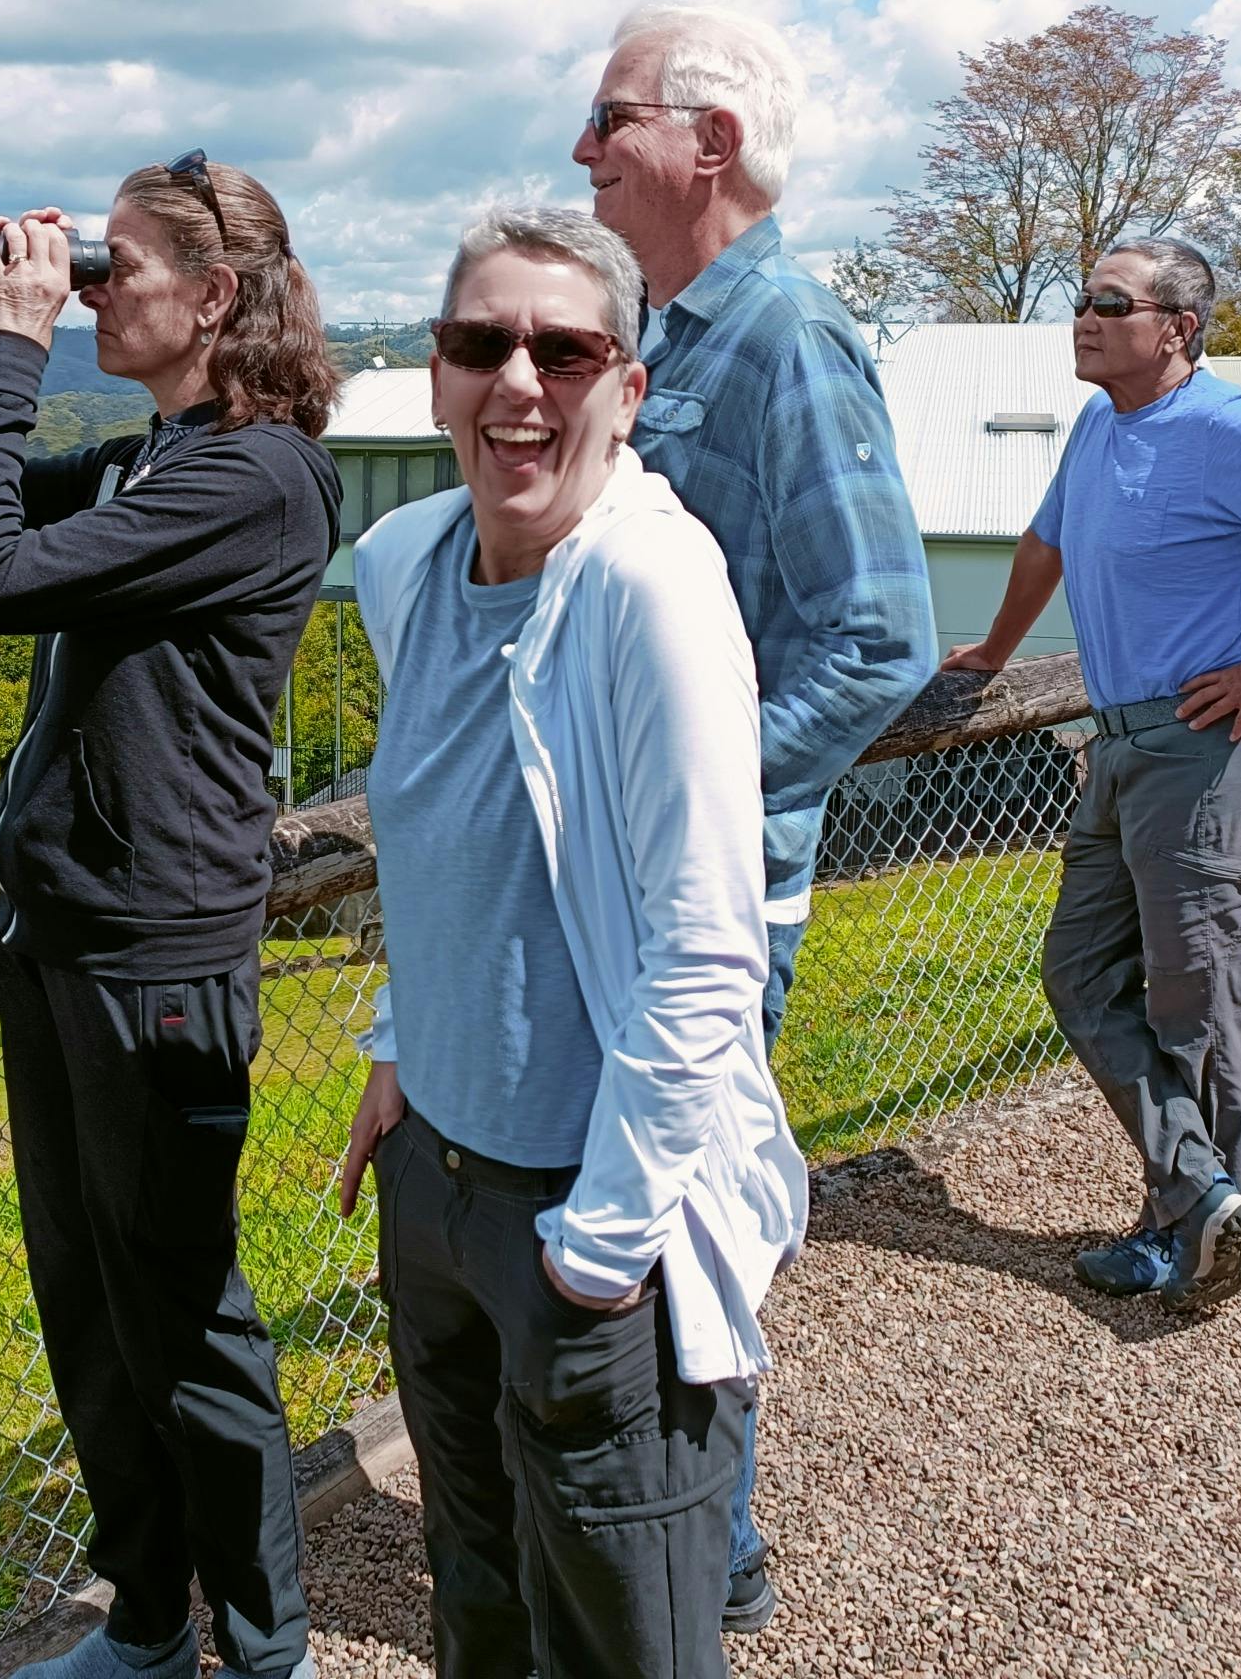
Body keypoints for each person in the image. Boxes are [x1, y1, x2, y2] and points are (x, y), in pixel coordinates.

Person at [0, 153, 341, 1679]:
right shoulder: (159, 458)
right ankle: (145, 1622)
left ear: (213, 299)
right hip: (63, 945)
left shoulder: (251, 477)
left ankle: (266, 1652)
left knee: (187, 1328)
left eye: (111, 269)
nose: (84, 295)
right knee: (90, 1313)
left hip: (157, 963)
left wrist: (15, 346)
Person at [336, 205, 808, 1679]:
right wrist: (402, 1054)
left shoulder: (643, 590)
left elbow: (706, 948)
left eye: (566, 348)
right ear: (435, 378)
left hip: (589, 1210)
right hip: (440, 1184)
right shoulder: (403, 567)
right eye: (482, 345)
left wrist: (600, 1250)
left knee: (625, 1636)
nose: (518, 384)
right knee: (472, 1588)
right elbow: (453, 847)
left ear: (627, 386)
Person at [574, 1, 936, 1628]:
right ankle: (656, 1544)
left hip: (706, 897)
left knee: (680, 1232)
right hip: (619, 887)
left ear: (706, 141)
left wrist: (702, 806)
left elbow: (878, 638)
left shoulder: (786, 334)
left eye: (609, 118)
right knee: (619, 1220)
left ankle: (699, 1568)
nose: (581, 150)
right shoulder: (674, 332)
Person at [941, 237, 1241, 1314]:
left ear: (1178, 329)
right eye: (1082, 299)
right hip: (1121, 749)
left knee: (1197, 1004)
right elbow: (1044, 546)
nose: (1084, 317)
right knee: (1079, 972)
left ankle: (1189, 1235)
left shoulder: (1225, 427)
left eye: (1112, 302)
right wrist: (997, 650)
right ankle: (1202, 1199)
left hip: (1212, 756)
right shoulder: (1104, 425)